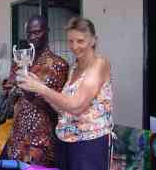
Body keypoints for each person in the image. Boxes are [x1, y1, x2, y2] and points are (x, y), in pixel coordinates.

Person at [17, 17, 114, 170]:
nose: (75, 46)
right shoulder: (74, 68)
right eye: (71, 41)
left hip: (89, 144)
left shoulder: (99, 64)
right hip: (65, 142)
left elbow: (77, 106)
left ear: (93, 40)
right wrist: (39, 87)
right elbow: (64, 108)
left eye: (80, 41)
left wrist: (41, 88)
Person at [2, 15, 69, 167]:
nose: (33, 37)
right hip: (18, 135)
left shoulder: (58, 65)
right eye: (29, 33)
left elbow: (62, 110)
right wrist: (9, 91)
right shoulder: (19, 63)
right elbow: (10, 100)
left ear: (47, 31)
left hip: (40, 140)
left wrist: (34, 96)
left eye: (37, 32)